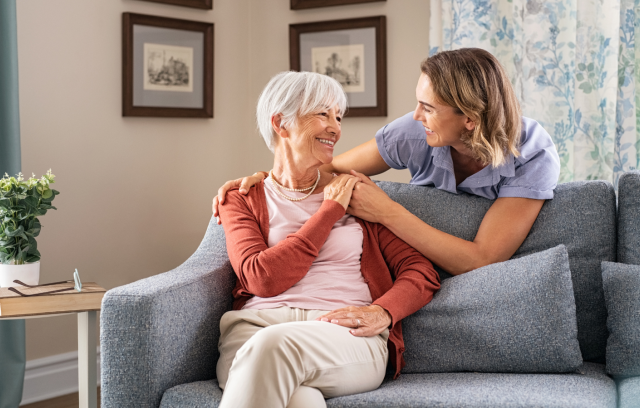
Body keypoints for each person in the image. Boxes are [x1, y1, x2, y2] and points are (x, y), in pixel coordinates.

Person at [213, 48, 561, 276]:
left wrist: (386, 211)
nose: (415, 115)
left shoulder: (532, 153)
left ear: (469, 118)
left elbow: (483, 260)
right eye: (418, 102)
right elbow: (325, 170)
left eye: (429, 108)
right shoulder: (413, 132)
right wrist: (267, 178)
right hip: (412, 267)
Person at [216, 71, 440, 408]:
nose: (335, 127)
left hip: (343, 334)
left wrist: (383, 311)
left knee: (273, 347)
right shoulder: (243, 197)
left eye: (338, 116)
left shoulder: (358, 193)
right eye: (323, 114)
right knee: (301, 400)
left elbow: (420, 271)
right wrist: (328, 212)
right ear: (281, 123)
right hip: (255, 329)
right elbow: (261, 278)